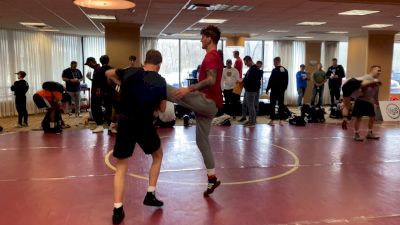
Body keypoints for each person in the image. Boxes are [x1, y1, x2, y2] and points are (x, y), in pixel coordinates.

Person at [105, 50, 167, 225]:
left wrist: (119, 83)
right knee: (158, 155)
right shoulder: (160, 81)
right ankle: (150, 194)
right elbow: (162, 109)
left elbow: (108, 73)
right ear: (159, 66)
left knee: (121, 165)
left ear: (144, 62)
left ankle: (117, 209)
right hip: (145, 124)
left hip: (125, 123)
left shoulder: (130, 71)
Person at [168, 25, 223, 196]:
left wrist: (189, 89)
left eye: (202, 37)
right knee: (202, 141)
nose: (201, 40)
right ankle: (212, 178)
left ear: (209, 38)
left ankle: (142, 82)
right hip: (209, 106)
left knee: (171, 92)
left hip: (208, 104)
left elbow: (211, 80)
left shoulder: (211, 56)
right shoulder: (212, 56)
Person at [346, 66, 382, 141]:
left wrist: (377, 102)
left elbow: (375, 94)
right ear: (372, 70)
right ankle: (356, 134)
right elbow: (354, 81)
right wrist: (359, 92)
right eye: (378, 70)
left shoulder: (377, 81)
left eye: (380, 71)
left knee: (372, 117)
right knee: (359, 118)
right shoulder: (366, 77)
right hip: (360, 100)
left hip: (369, 101)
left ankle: (369, 133)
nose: (379, 72)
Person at [240, 56, 263, 127]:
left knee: (251, 106)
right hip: (252, 89)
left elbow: (250, 80)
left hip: (251, 90)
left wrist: (243, 80)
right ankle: (251, 120)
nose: (245, 64)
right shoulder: (253, 68)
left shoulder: (253, 69)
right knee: (251, 105)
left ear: (249, 61)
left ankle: (252, 121)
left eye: (246, 62)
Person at [266, 57, 288, 126]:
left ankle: (272, 121)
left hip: (274, 91)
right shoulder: (285, 70)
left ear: (276, 62)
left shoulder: (274, 70)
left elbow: (271, 80)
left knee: (272, 105)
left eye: (273, 62)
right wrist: (284, 89)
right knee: (281, 105)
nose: (273, 64)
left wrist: (267, 88)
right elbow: (286, 81)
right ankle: (281, 121)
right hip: (281, 91)